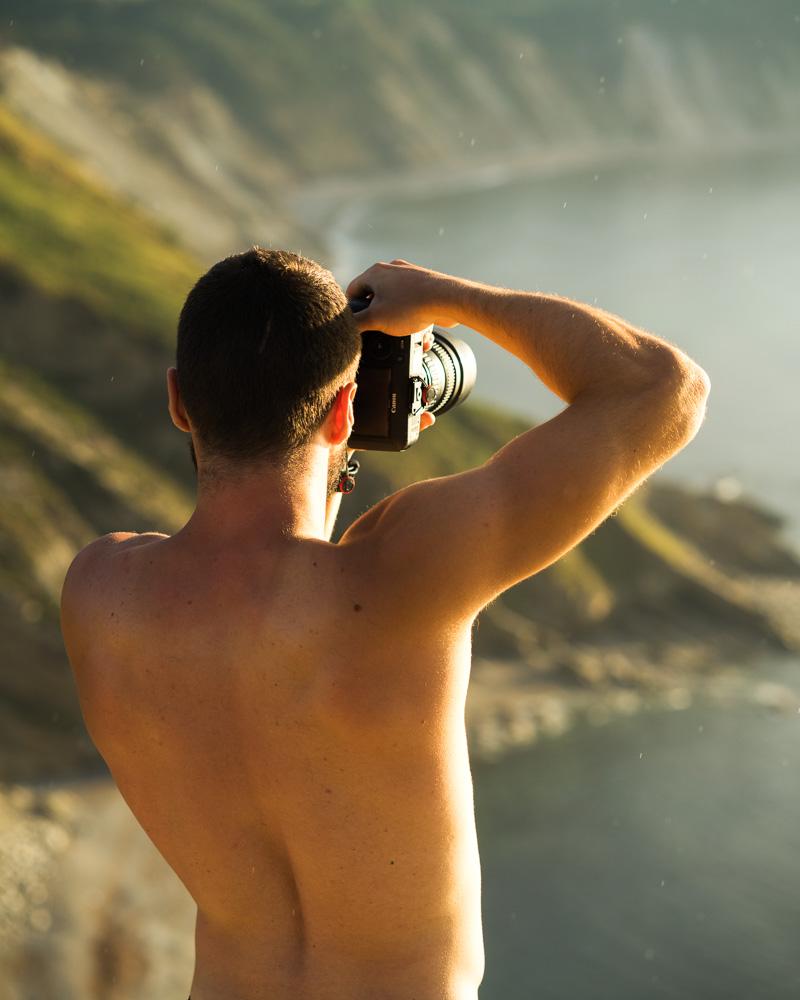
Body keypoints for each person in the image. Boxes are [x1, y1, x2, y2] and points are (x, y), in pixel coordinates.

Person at [60, 248, 710, 1000]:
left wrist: (326, 460)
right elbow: (664, 389)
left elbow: (258, 610)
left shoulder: (100, 594)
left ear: (179, 402)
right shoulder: (404, 579)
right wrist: (449, 296)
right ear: (345, 410)